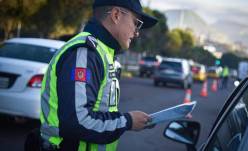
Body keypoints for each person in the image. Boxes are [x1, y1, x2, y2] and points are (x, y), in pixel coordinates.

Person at [39, 0, 158, 151]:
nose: (137, 32)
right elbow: (77, 121)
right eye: (136, 23)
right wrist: (128, 121)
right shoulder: (86, 53)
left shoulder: (103, 53)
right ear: (116, 15)